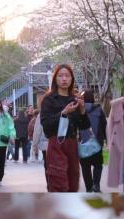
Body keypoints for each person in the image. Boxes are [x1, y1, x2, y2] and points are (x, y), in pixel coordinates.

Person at [39, 64, 91, 192]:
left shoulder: (75, 99)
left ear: (72, 79)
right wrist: (63, 112)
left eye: (67, 76)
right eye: (60, 75)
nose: (64, 79)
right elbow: (46, 125)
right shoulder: (48, 99)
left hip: (72, 144)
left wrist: (83, 110)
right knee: (58, 182)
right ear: (55, 79)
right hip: (56, 143)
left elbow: (84, 126)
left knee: (73, 182)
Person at [80, 89, 107, 193]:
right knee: (98, 165)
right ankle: (96, 185)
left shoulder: (79, 109)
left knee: (85, 167)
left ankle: (89, 188)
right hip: (97, 142)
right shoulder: (99, 110)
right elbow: (104, 125)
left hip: (83, 143)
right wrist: (106, 140)